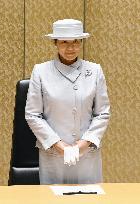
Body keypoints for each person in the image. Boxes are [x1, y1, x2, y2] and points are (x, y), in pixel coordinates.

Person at [25, 19, 110, 184]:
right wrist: (59, 146)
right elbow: (33, 114)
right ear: (55, 43)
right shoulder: (41, 71)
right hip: (54, 154)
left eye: (76, 42)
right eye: (64, 42)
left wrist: (83, 145)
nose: (71, 48)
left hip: (87, 155)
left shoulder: (94, 71)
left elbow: (103, 113)